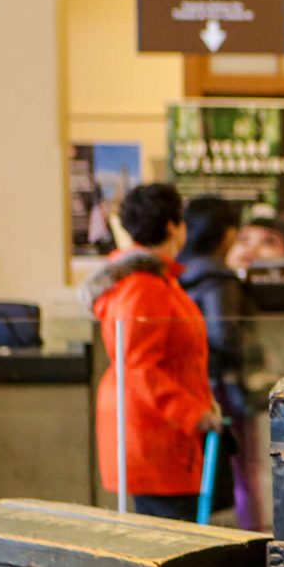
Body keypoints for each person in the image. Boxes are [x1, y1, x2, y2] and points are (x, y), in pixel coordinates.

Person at [86, 182, 221, 521]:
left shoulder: (153, 281)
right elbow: (140, 369)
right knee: (174, 545)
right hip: (158, 438)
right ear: (174, 226)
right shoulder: (145, 287)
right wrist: (194, 413)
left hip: (159, 433)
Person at [176, 195, 262, 528]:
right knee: (245, 470)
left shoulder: (177, 277)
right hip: (227, 387)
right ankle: (251, 539)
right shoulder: (220, 282)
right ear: (227, 235)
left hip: (194, 388)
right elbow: (226, 336)